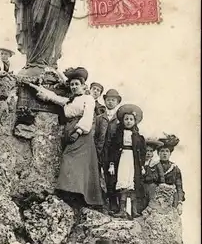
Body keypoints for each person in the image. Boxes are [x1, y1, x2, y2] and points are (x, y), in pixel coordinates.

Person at [33, 67, 103, 209]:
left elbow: (88, 116)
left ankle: (75, 195)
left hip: (81, 134)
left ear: (83, 86)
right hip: (69, 131)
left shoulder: (88, 99)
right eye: (72, 84)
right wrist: (36, 87)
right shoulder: (69, 101)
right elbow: (53, 97)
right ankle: (72, 194)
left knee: (73, 161)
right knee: (72, 161)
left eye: (77, 84)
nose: (74, 87)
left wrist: (78, 132)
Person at [108, 104, 146, 219]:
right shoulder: (118, 135)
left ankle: (134, 211)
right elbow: (113, 150)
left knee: (133, 183)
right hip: (122, 159)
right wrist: (112, 164)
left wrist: (142, 165)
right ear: (123, 121)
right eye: (126, 119)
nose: (128, 121)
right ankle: (122, 210)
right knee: (122, 181)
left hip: (133, 161)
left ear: (135, 121)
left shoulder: (138, 137)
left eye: (131, 119)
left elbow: (142, 152)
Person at [94, 89, 122, 214]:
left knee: (111, 178)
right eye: (108, 99)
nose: (110, 102)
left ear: (117, 102)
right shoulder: (100, 118)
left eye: (113, 100)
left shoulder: (119, 119)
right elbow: (95, 134)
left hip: (113, 154)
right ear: (104, 101)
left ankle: (113, 204)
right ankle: (97, 203)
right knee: (97, 176)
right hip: (99, 151)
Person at [157, 134, 185, 214]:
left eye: (167, 151)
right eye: (162, 151)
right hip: (158, 198)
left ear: (170, 153)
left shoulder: (175, 169)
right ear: (158, 153)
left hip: (172, 199)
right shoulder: (154, 167)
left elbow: (179, 186)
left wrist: (180, 203)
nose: (164, 154)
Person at [142, 138, 165, 208]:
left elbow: (161, 175)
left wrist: (161, 185)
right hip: (142, 186)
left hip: (152, 185)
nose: (148, 153)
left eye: (151, 151)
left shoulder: (155, 163)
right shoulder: (140, 162)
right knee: (142, 202)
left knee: (152, 202)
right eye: (147, 151)